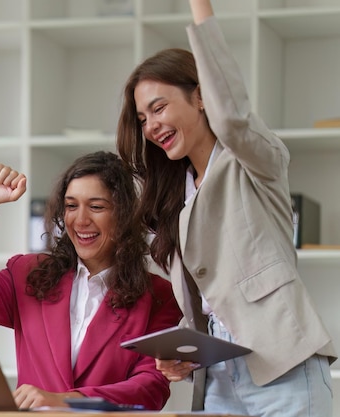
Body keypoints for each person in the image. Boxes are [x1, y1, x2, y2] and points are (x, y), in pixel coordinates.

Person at [115, 0, 337, 416]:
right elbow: (212, 300)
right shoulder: (176, 198)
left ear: (201, 97)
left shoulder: (255, 161)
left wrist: (200, 7)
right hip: (217, 378)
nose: (151, 126)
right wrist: (181, 348)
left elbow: (233, 117)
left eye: (159, 108)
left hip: (281, 368)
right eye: (143, 118)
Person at [0, 151, 183, 410]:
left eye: (96, 207)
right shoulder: (30, 274)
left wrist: (69, 402)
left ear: (124, 215)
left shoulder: (159, 296)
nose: (80, 220)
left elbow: (151, 386)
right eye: (71, 206)